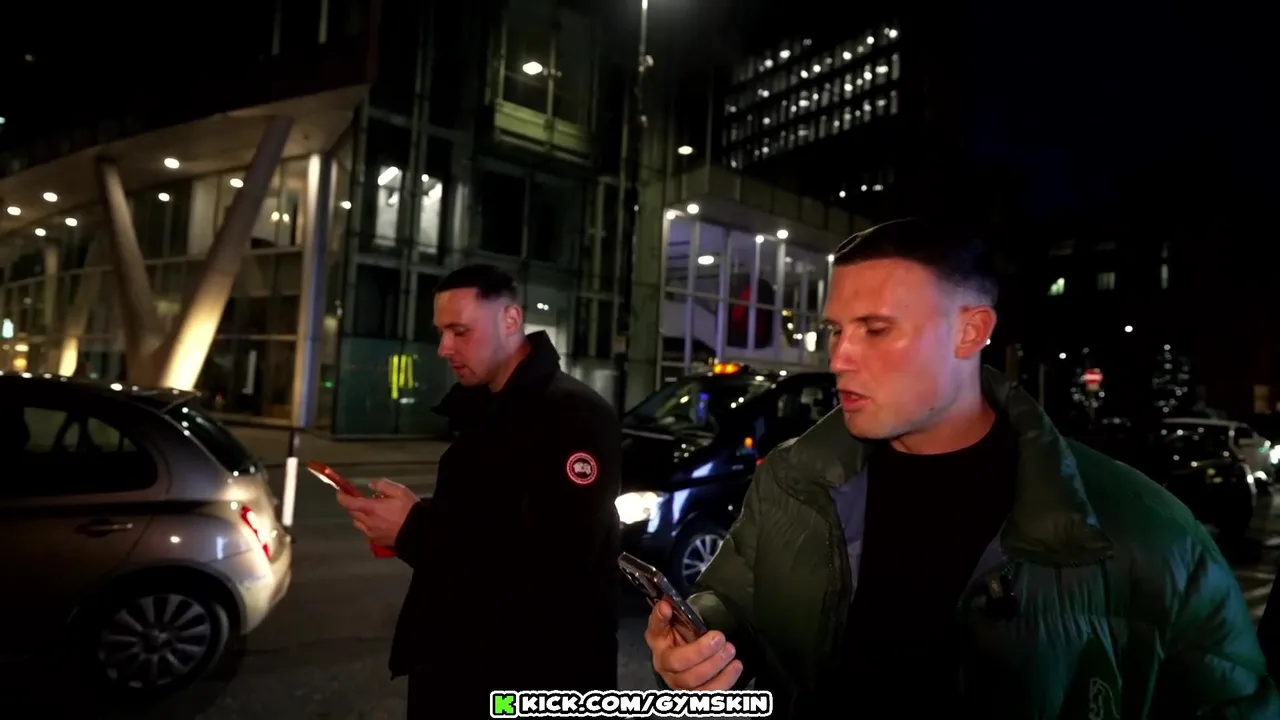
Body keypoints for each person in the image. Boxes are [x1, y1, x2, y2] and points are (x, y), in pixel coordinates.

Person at [644, 218, 1278, 717]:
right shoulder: (791, 481)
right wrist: (698, 651)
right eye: (836, 330)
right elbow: (732, 605)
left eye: (875, 329)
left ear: (970, 332)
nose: (840, 357)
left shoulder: (1144, 531)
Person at [337, 264, 620, 717]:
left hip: (526, 680)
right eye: (441, 332)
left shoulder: (574, 416)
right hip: (461, 668)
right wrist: (407, 517)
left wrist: (414, 529)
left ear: (510, 319)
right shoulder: (486, 407)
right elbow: (490, 517)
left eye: (460, 331)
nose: (444, 348)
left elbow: (556, 564)